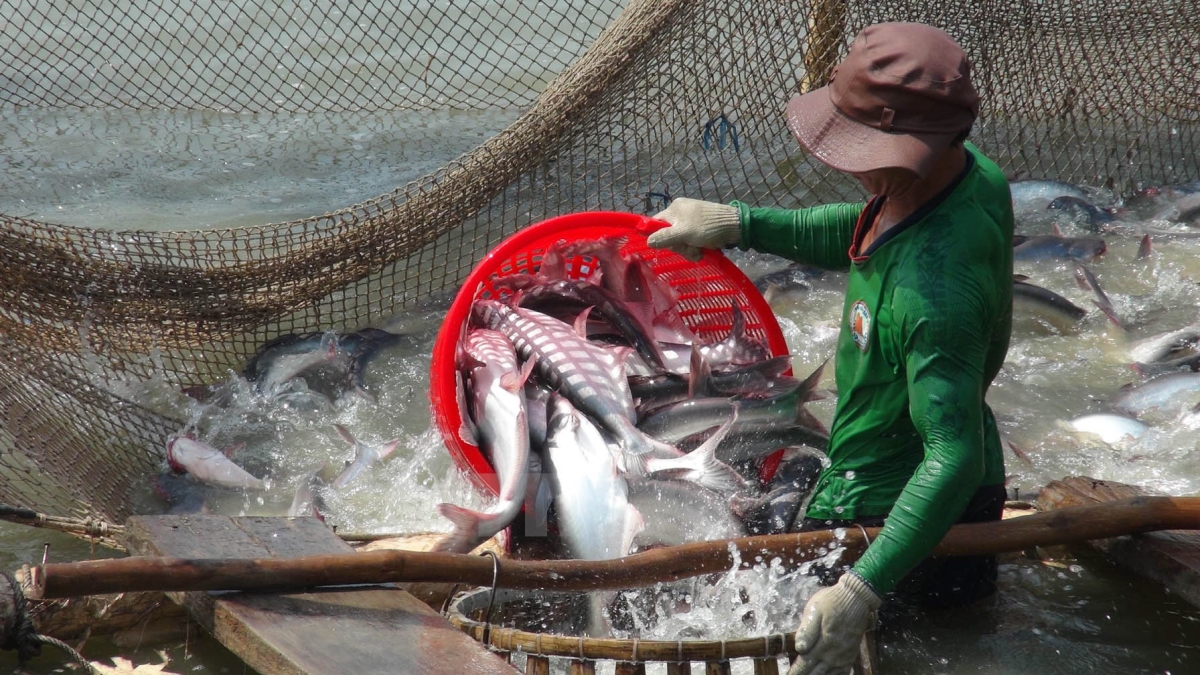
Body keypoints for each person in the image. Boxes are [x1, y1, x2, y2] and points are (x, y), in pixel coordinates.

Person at [647, 22, 1012, 675]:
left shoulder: (935, 296)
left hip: (900, 516)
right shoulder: (969, 175)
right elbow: (865, 228)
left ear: (909, 151)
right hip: (920, 486)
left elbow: (954, 457)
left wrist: (858, 591)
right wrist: (742, 224)